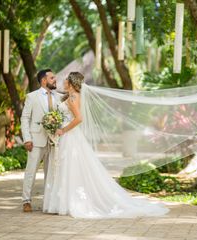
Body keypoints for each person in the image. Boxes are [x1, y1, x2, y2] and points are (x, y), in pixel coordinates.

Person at [43, 72, 169, 218]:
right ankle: (62, 202)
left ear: (71, 82)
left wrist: (63, 129)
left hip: (69, 136)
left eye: (66, 79)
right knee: (67, 167)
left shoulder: (73, 97)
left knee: (70, 167)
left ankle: (68, 203)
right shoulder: (70, 96)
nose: (63, 81)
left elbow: (79, 119)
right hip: (69, 137)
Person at [21, 69, 62, 212]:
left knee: (51, 173)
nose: (55, 80)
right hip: (36, 140)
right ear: (44, 80)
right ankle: (26, 200)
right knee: (31, 171)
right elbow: (25, 118)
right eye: (52, 78)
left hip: (54, 141)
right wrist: (27, 139)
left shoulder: (58, 97)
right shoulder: (32, 97)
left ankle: (49, 201)